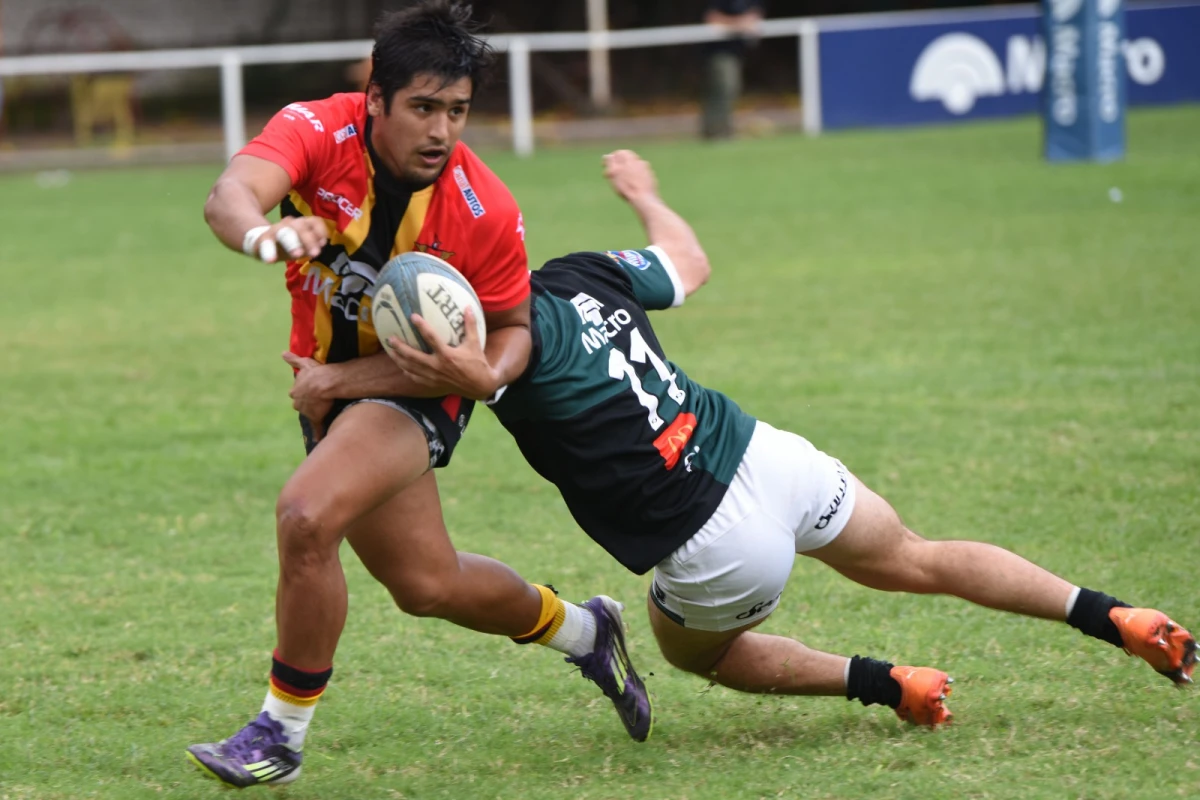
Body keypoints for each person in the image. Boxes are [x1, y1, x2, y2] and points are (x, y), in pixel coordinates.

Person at [383, 150, 1196, 727]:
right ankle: (1111, 615)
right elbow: (689, 262)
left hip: (714, 544)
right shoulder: (579, 273)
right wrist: (643, 191)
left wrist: (343, 375)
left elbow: (476, 380)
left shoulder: (490, 357)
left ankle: (886, 684)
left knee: (700, 658)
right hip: (769, 455)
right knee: (918, 554)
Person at [186, 3, 651, 788]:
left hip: (418, 391)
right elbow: (231, 193)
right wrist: (265, 235)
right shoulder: (317, 131)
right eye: (423, 108)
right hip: (328, 390)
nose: (441, 130)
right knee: (425, 584)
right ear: (375, 100)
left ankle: (280, 734)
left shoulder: (484, 208)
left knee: (306, 516)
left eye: (458, 111)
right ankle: (585, 632)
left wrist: (489, 374)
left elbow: (511, 330)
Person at [701, 0, 764, 140]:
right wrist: (740, 24)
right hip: (719, 51)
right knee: (724, 87)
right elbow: (712, 18)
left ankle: (723, 130)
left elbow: (755, 16)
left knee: (731, 89)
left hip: (738, 52)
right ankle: (715, 132)